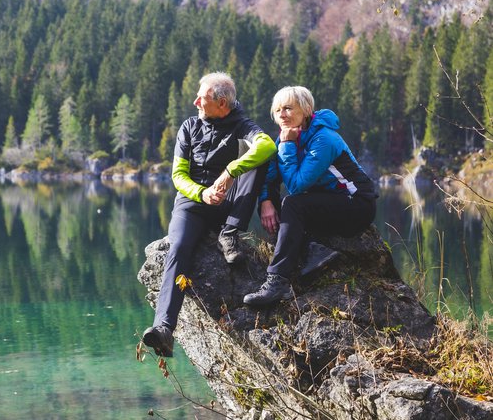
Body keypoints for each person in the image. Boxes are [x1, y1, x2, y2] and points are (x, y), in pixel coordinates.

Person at [142, 72, 275, 357]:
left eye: (201, 98)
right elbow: (178, 176)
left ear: (222, 103)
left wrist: (229, 173)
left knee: (257, 159)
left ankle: (230, 233)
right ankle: (164, 329)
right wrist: (202, 193)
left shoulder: (242, 126)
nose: (195, 102)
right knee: (178, 248)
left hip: (229, 204)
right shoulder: (189, 127)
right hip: (192, 204)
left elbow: (268, 145)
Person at [244, 86, 377, 306]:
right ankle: (313, 250)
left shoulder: (323, 138)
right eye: (277, 111)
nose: (282, 115)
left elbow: (297, 186)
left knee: (294, 204)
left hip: (357, 204)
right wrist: (266, 201)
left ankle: (277, 282)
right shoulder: (288, 137)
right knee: (284, 201)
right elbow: (269, 176)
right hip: (328, 202)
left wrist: (286, 145)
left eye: (288, 108)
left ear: (306, 109)